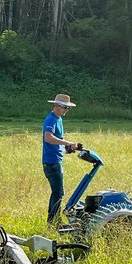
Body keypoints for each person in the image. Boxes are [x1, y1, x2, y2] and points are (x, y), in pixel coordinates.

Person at [41, 93, 83, 225]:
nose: (66, 110)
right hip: (52, 162)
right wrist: (68, 143)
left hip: (56, 160)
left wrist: (67, 149)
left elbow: (56, 140)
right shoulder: (51, 119)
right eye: (65, 107)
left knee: (58, 192)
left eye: (68, 108)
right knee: (58, 192)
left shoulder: (58, 119)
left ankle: (54, 220)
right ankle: (54, 221)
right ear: (56, 105)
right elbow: (48, 138)